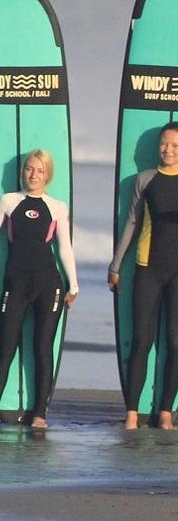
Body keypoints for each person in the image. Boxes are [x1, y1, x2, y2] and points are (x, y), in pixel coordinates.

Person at [108, 121, 178, 431]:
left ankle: (166, 412)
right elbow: (130, 223)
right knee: (141, 341)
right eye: (164, 144)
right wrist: (116, 265)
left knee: (175, 341)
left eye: (175, 145)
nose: (168, 150)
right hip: (147, 267)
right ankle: (132, 412)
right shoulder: (144, 179)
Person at [0, 149, 78, 428]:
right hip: (15, 284)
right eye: (29, 169)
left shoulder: (57, 206)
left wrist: (74, 283)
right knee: (5, 348)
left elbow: (65, 247)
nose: (33, 175)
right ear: (23, 171)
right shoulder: (9, 201)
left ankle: (39, 414)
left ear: (48, 174)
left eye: (39, 170)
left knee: (42, 347)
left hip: (49, 286)